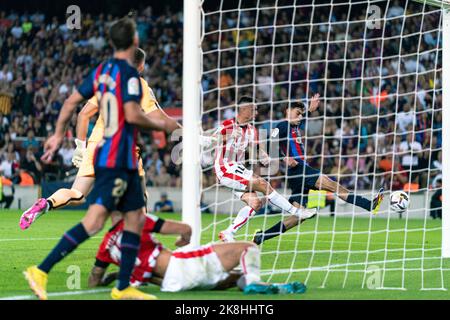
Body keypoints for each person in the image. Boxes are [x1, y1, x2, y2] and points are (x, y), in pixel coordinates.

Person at [23, 16, 168, 300]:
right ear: (136, 46)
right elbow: (151, 117)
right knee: (111, 219)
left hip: (97, 151)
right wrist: (183, 131)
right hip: (119, 156)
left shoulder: (104, 73)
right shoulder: (136, 81)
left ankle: (123, 284)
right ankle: (123, 276)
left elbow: (78, 109)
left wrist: (75, 144)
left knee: (81, 197)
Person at [19, 47, 180, 230]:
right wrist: (187, 132)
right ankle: (135, 245)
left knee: (77, 193)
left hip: (95, 146)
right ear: (141, 66)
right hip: (122, 147)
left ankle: (47, 203)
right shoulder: (139, 84)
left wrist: (80, 146)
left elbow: (83, 115)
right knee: (139, 199)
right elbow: (158, 118)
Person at [253, 97, 384, 245]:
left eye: (301, 114)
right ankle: (369, 205)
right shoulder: (283, 126)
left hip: (298, 174)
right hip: (299, 170)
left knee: (298, 217)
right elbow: (269, 144)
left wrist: (309, 109)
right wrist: (284, 158)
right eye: (297, 113)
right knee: (333, 186)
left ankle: (261, 237)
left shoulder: (295, 125)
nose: (300, 117)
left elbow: (302, 117)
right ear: (288, 112)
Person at [88, 214, 306, 295]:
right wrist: (183, 241)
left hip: (171, 284)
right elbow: (185, 229)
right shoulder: (137, 219)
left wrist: (115, 277)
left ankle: (274, 288)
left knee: (231, 278)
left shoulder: (106, 245)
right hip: (180, 264)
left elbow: (93, 280)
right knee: (248, 248)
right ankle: (255, 283)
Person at [215, 96, 317, 243]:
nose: (256, 112)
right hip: (225, 169)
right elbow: (211, 139)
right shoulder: (228, 124)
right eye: (254, 109)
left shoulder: (252, 130)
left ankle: (228, 233)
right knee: (263, 184)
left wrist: (264, 156)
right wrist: (226, 136)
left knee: (256, 203)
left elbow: (257, 149)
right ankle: (297, 211)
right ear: (244, 109)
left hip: (237, 169)